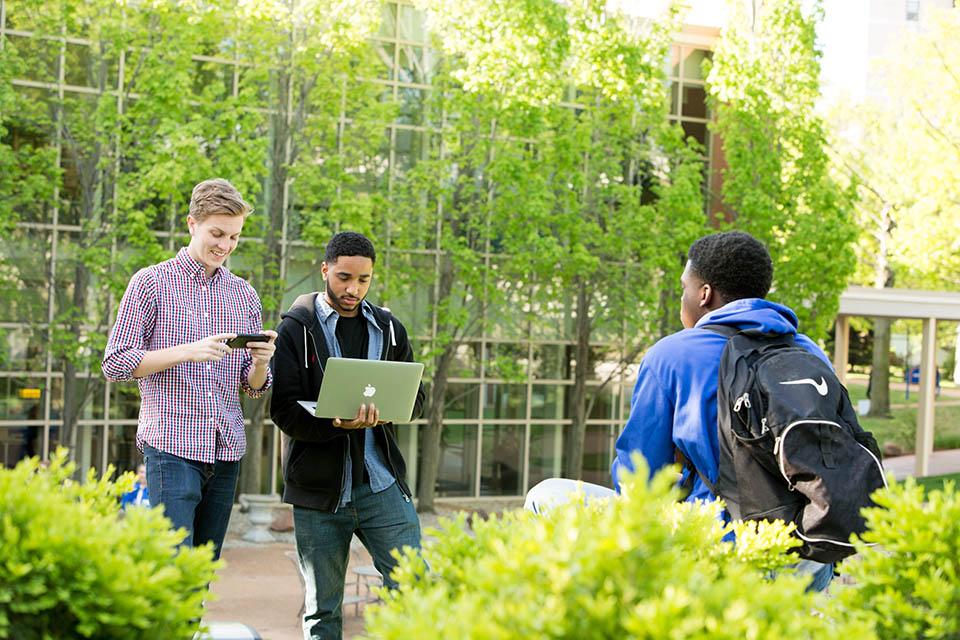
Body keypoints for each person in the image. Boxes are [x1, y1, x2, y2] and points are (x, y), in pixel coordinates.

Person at [611, 230, 833, 592]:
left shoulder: (672, 355)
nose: (683, 296)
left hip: (723, 554)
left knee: (546, 495)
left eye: (685, 286)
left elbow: (640, 479)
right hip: (810, 555)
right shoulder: (809, 352)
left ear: (704, 294)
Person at [102, 178, 276, 561]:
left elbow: (253, 387)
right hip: (171, 447)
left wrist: (261, 362)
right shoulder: (149, 283)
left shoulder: (243, 294)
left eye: (234, 238)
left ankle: (191, 626)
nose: (225, 246)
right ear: (192, 223)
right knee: (172, 567)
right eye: (217, 233)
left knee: (201, 570)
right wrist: (187, 352)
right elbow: (115, 363)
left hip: (226, 449)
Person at [270, 231, 424, 640]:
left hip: (381, 485)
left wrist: (387, 410)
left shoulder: (390, 329)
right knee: (323, 614)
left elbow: (417, 399)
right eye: (343, 277)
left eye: (363, 280)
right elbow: (282, 411)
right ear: (324, 270)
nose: (353, 289)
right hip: (320, 494)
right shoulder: (294, 331)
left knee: (415, 587)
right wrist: (333, 423)